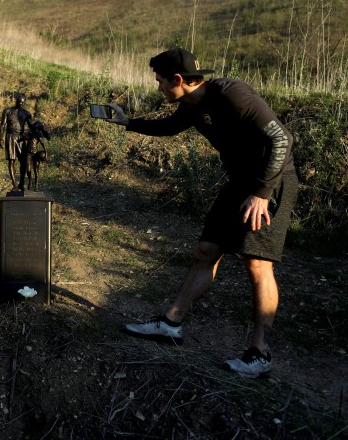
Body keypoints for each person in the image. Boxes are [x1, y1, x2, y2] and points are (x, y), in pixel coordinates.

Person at [106, 48, 297, 378]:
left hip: (271, 181)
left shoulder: (233, 95)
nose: (159, 88)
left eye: (161, 82)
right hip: (240, 182)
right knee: (206, 251)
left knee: (257, 263)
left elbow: (282, 139)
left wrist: (262, 193)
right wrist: (128, 122)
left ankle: (260, 352)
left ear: (178, 80)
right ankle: (171, 324)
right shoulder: (192, 105)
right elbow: (168, 127)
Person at [0, 92, 32, 191]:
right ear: (16, 101)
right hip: (11, 136)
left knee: (23, 161)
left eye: (22, 103)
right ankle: (14, 184)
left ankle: (22, 183)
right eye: (19, 102)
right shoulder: (8, 111)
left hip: (21, 138)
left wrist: (39, 130)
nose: (21, 104)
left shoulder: (26, 113)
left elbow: (31, 126)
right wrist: (0, 138)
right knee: (11, 160)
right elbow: (2, 125)